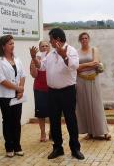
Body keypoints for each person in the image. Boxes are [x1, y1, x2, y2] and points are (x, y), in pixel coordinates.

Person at [30, 28, 84, 160]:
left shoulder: (71, 51)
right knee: (54, 121)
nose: (50, 42)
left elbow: (74, 66)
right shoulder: (51, 53)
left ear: (57, 39)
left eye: (51, 39)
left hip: (67, 91)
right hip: (52, 92)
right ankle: (58, 148)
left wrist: (64, 55)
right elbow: (41, 66)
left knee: (71, 120)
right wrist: (34, 58)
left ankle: (75, 149)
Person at [0, 35, 26, 158]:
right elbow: (2, 80)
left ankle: (17, 146)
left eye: (13, 43)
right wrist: (18, 88)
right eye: (10, 44)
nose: (13, 46)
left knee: (16, 121)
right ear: (3, 46)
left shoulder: (17, 59)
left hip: (17, 95)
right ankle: (9, 147)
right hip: (5, 96)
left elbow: (23, 75)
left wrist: (21, 90)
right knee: (7, 121)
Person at [76, 32, 111, 140]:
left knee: (96, 105)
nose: (84, 40)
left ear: (89, 39)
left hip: (93, 78)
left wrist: (82, 66)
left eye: (86, 38)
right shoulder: (77, 52)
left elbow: (96, 62)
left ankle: (104, 131)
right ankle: (90, 132)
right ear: (80, 40)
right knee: (84, 105)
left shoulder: (94, 50)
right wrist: (88, 65)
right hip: (80, 80)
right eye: (82, 38)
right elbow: (75, 68)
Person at [30, 40, 50, 142]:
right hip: (39, 88)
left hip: (52, 88)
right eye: (42, 46)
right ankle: (43, 133)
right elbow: (34, 75)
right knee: (41, 113)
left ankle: (53, 131)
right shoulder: (36, 59)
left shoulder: (52, 58)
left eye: (47, 46)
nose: (45, 48)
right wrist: (34, 62)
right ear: (39, 48)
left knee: (53, 112)